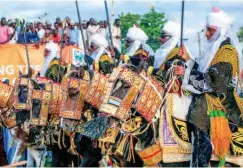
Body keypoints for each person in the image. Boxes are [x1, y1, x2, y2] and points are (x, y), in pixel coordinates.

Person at [175, 7, 243, 167]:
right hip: (206, 98)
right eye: (207, 30)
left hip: (223, 102)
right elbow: (203, 70)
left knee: (199, 115)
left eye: (210, 30)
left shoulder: (228, 52)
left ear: (221, 31)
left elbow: (216, 81)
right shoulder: (212, 50)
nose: (206, 33)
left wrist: (186, 72)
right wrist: (187, 61)